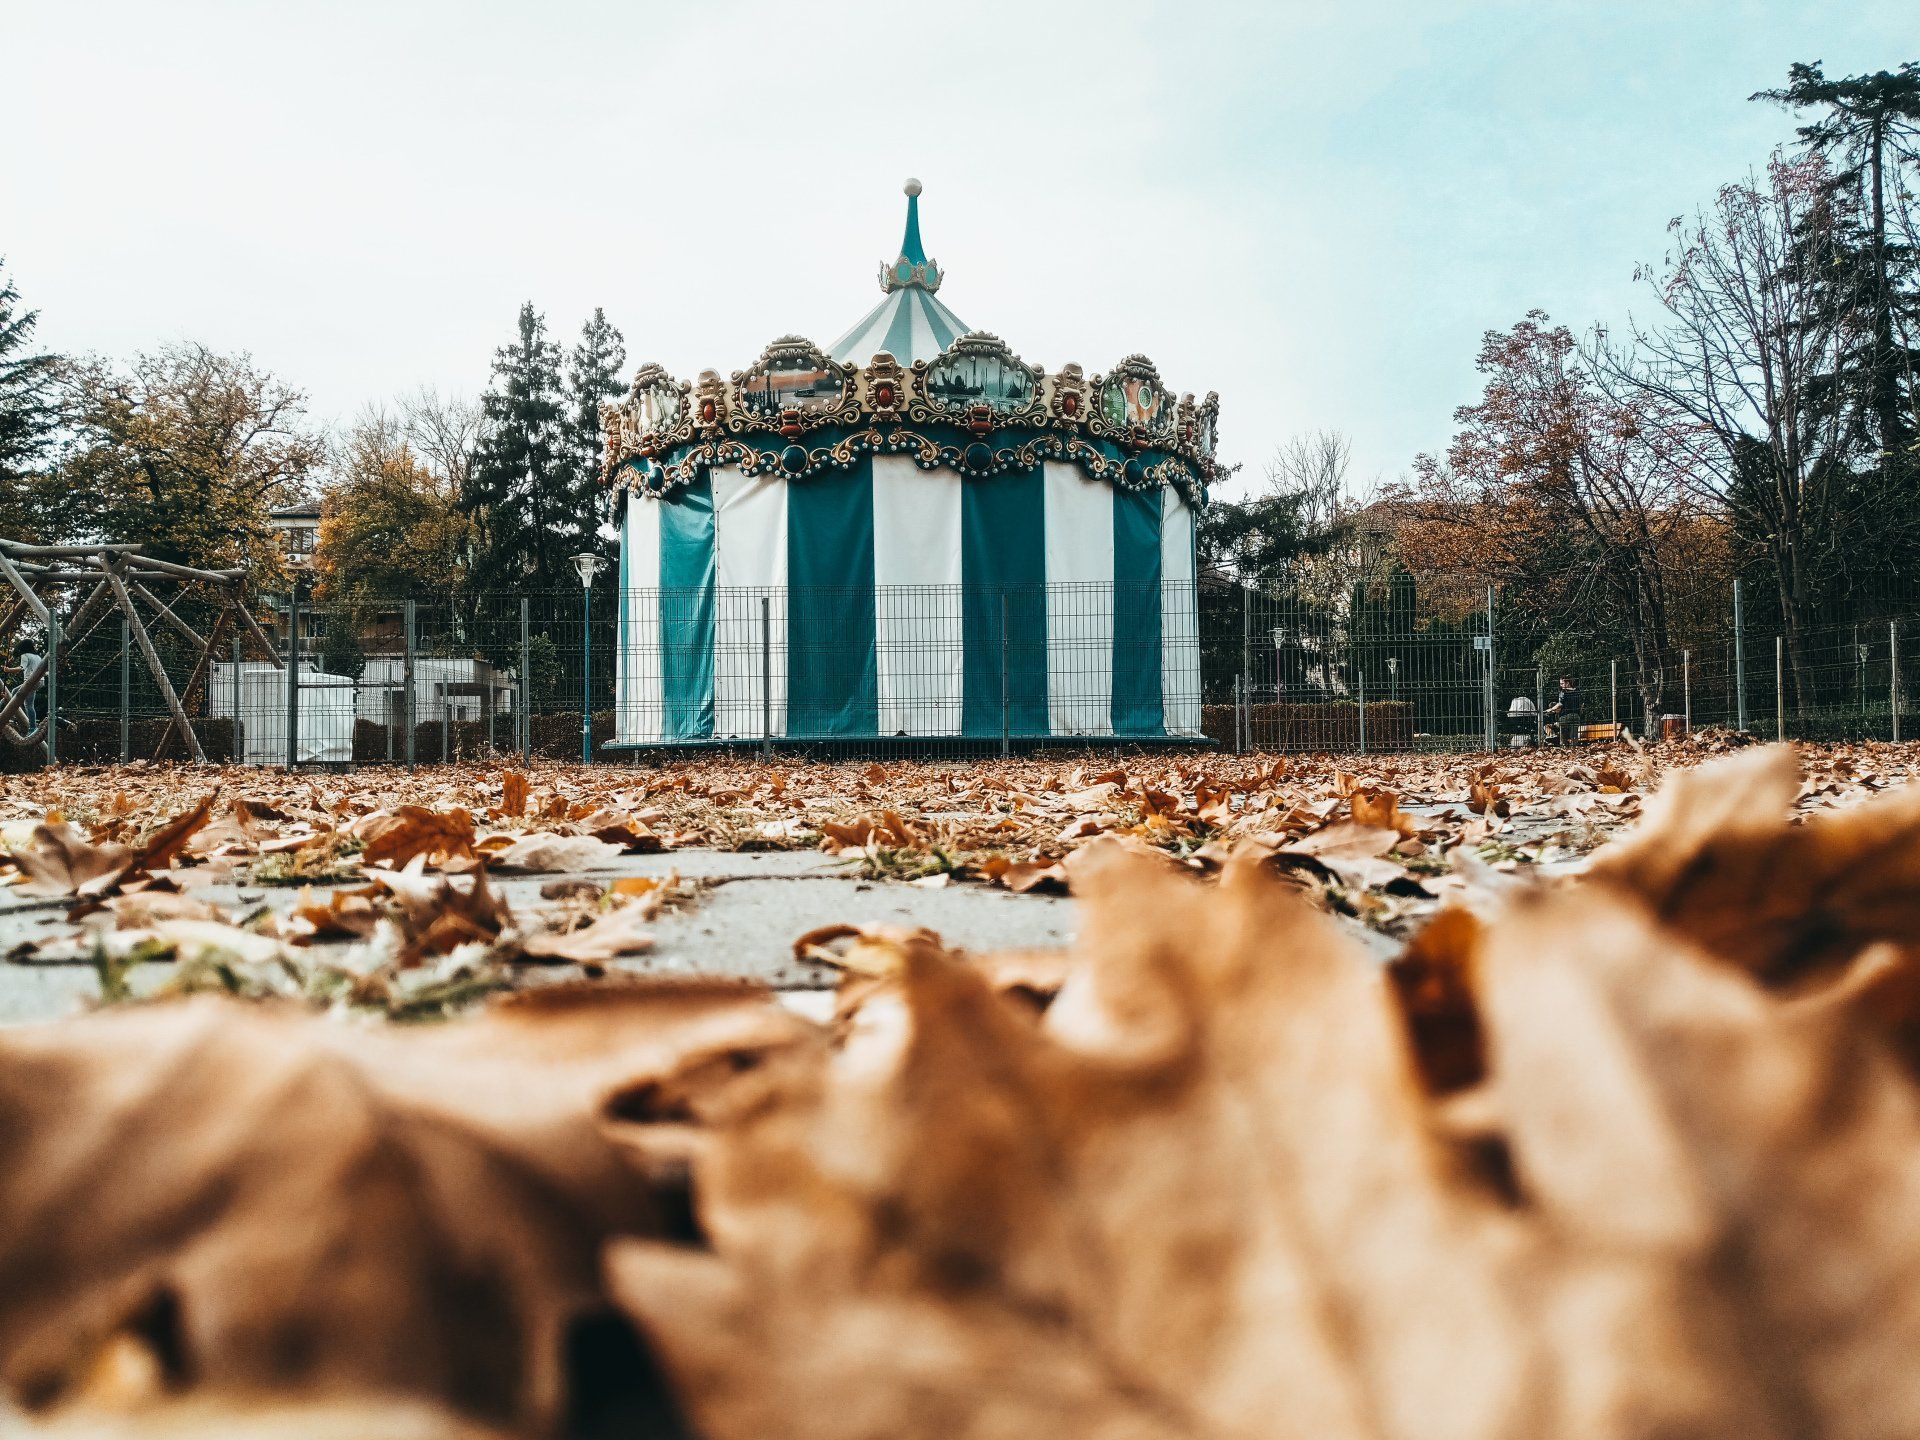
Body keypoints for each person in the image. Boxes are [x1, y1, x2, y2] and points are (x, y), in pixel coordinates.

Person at [1543, 675, 1581, 745]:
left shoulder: (1563, 692)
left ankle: (1562, 747)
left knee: (1563, 738)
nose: (1561, 686)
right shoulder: (1578, 691)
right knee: (1574, 737)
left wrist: (1550, 709)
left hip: (1565, 717)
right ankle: (1575, 749)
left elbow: (1560, 704)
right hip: (1576, 716)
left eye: (1562, 683)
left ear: (1567, 683)